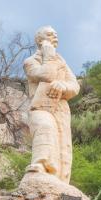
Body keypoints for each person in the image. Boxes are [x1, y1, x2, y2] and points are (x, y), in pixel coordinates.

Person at [24, 26, 80, 183]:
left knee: (64, 148)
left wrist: (63, 87)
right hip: (40, 106)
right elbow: (46, 75)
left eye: (56, 34)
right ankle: (40, 166)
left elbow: (75, 86)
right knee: (45, 127)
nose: (55, 37)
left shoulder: (62, 62)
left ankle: (60, 183)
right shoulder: (30, 62)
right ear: (40, 40)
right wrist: (48, 56)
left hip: (61, 108)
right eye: (50, 34)